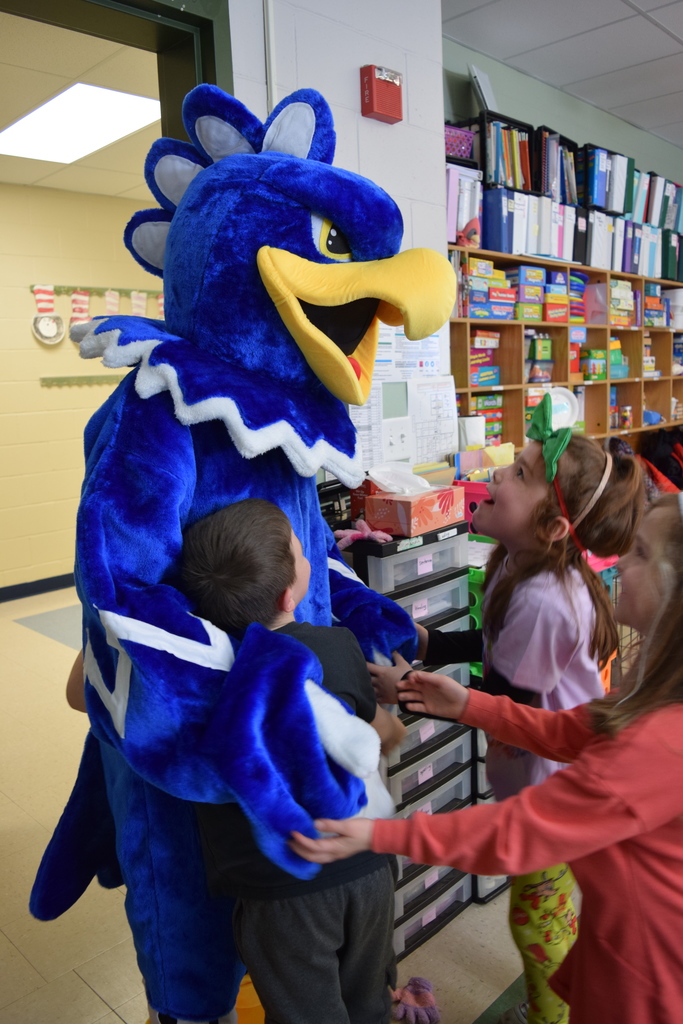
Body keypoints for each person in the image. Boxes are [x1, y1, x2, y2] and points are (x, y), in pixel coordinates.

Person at [292, 491, 683, 1024]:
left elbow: (517, 831)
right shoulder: (654, 697)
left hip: (644, 992)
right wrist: (470, 704)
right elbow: (573, 730)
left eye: (638, 553)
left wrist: (379, 833)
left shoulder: (662, 739)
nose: (619, 561)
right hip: (618, 956)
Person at [366, 393, 644, 1024]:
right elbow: (492, 648)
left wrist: (407, 688)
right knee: (549, 911)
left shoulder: (547, 600)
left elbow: (504, 706)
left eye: (519, 472)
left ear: (550, 526)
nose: (496, 472)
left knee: (536, 927)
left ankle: (554, 1014)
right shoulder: (513, 564)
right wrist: (435, 646)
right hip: (536, 775)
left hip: (556, 790)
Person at [181, 497, 405, 1024]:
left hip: (281, 889)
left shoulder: (204, 676)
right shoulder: (337, 643)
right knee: (371, 1000)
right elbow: (378, 731)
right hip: (367, 864)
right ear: (292, 591)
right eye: (302, 552)